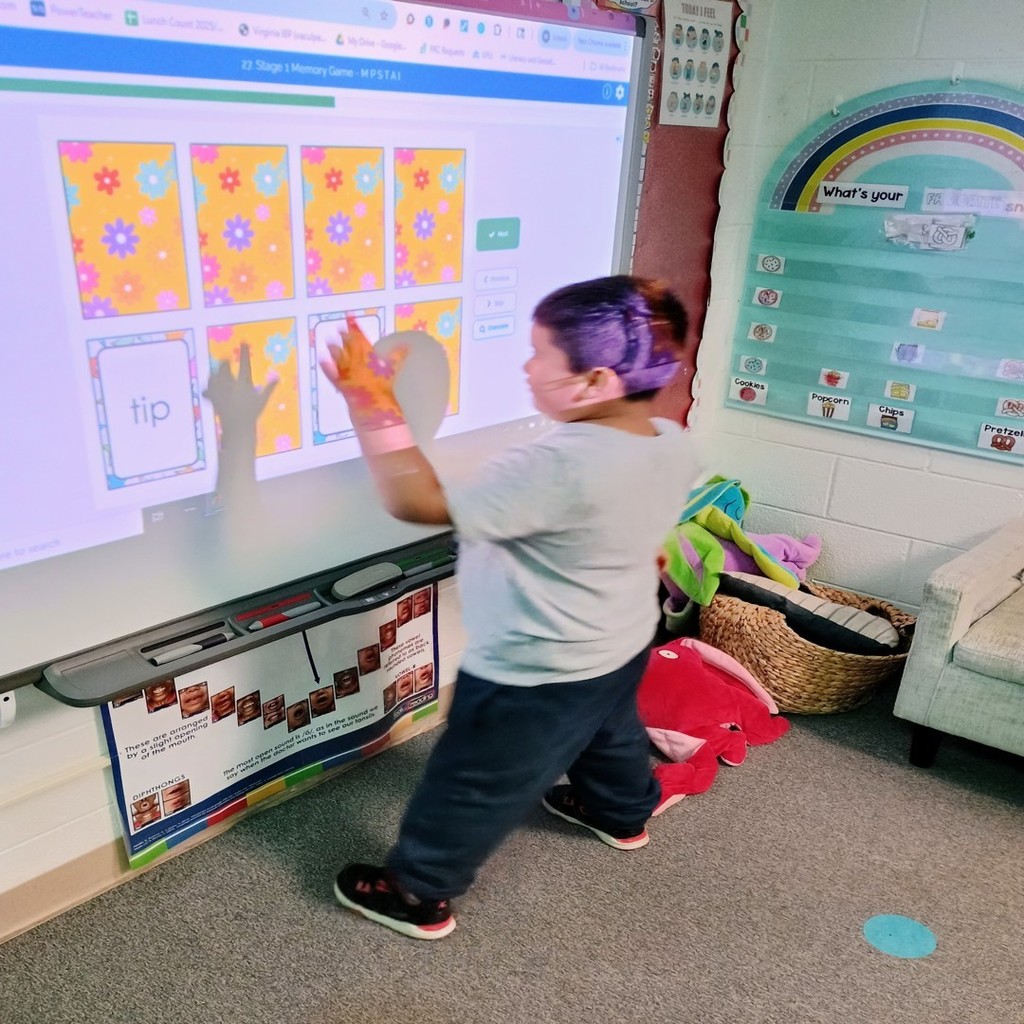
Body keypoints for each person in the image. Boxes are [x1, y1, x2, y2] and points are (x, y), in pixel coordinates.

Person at [320, 275, 698, 941]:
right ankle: (620, 812)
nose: (525, 366)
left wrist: (370, 401)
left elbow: (418, 504)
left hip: (534, 668)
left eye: (539, 355)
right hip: (617, 639)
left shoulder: (555, 467)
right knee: (611, 733)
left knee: (473, 779)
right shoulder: (669, 438)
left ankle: (418, 889)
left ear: (594, 381)